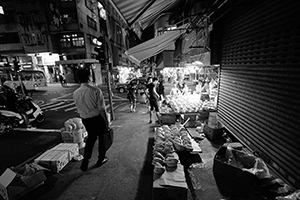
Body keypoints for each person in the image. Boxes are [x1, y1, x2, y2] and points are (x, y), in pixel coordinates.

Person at [73, 68, 110, 172]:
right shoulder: (95, 90)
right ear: (89, 77)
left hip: (85, 119)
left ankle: (85, 162)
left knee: (91, 139)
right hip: (97, 118)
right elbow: (102, 109)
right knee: (102, 138)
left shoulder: (76, 92)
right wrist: (106, 122)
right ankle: (101, 159)